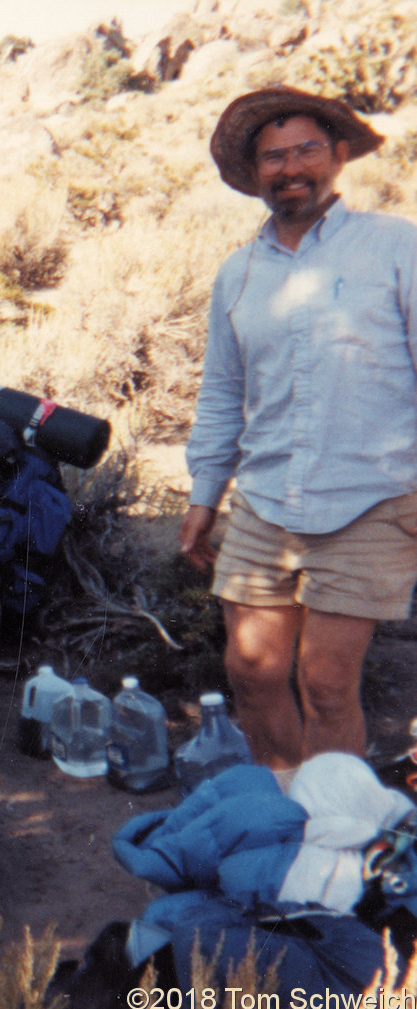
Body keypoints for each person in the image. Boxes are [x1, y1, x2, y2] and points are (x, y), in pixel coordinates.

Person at [180, 85, 417, 780]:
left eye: (308, 149)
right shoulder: (239, 274)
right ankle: (287, 813)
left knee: (326, 683)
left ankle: (338, 834)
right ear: (253, 175)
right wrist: (202, 498)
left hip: (371, 499)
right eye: (273, 156)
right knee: (250, 672)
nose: (291, 167)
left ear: (339, 155)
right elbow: (222, 394)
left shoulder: (396, 248)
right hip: (265, 501)